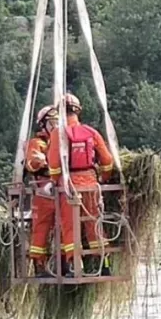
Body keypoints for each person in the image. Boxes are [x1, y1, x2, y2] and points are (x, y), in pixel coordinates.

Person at [46, 92, 115, 276]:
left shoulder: (57, 134)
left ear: (60, 112)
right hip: (91, 185)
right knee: (94, 223)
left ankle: (76, 266)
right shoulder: (91, 132)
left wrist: (55, 182)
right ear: (78, 111)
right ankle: (105, 264)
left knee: (70, 225)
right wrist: (103, 178)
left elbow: (53, 164)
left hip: (69, 187)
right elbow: (107, 160)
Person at [25, 105, 58, 275]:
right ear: (43, 125)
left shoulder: (62, 140)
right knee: (41, 228)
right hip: (43, 191)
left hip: (61, 188)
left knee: (66, 228)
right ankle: (39, 265)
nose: (55, 126)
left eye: (57, 122)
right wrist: (46, 162)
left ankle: (67, 264)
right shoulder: (37, 143)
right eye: (52, 123)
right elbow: (32, 163)